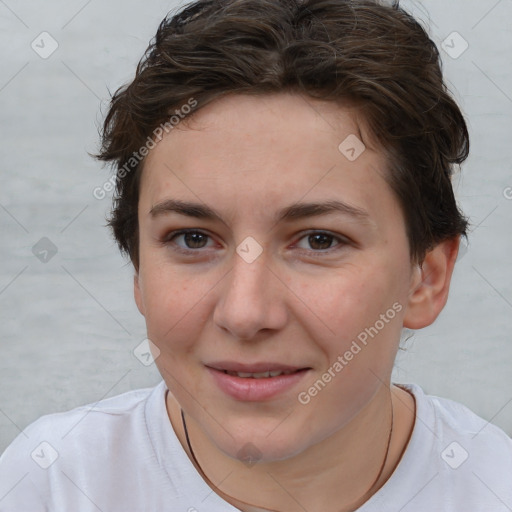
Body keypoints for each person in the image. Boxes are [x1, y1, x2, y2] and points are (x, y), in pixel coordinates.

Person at [1, 0, 511, 510]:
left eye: (319, 240)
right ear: (138, 271)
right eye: (193, 239)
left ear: (427, 279)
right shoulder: (51, 485)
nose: (245, 314)